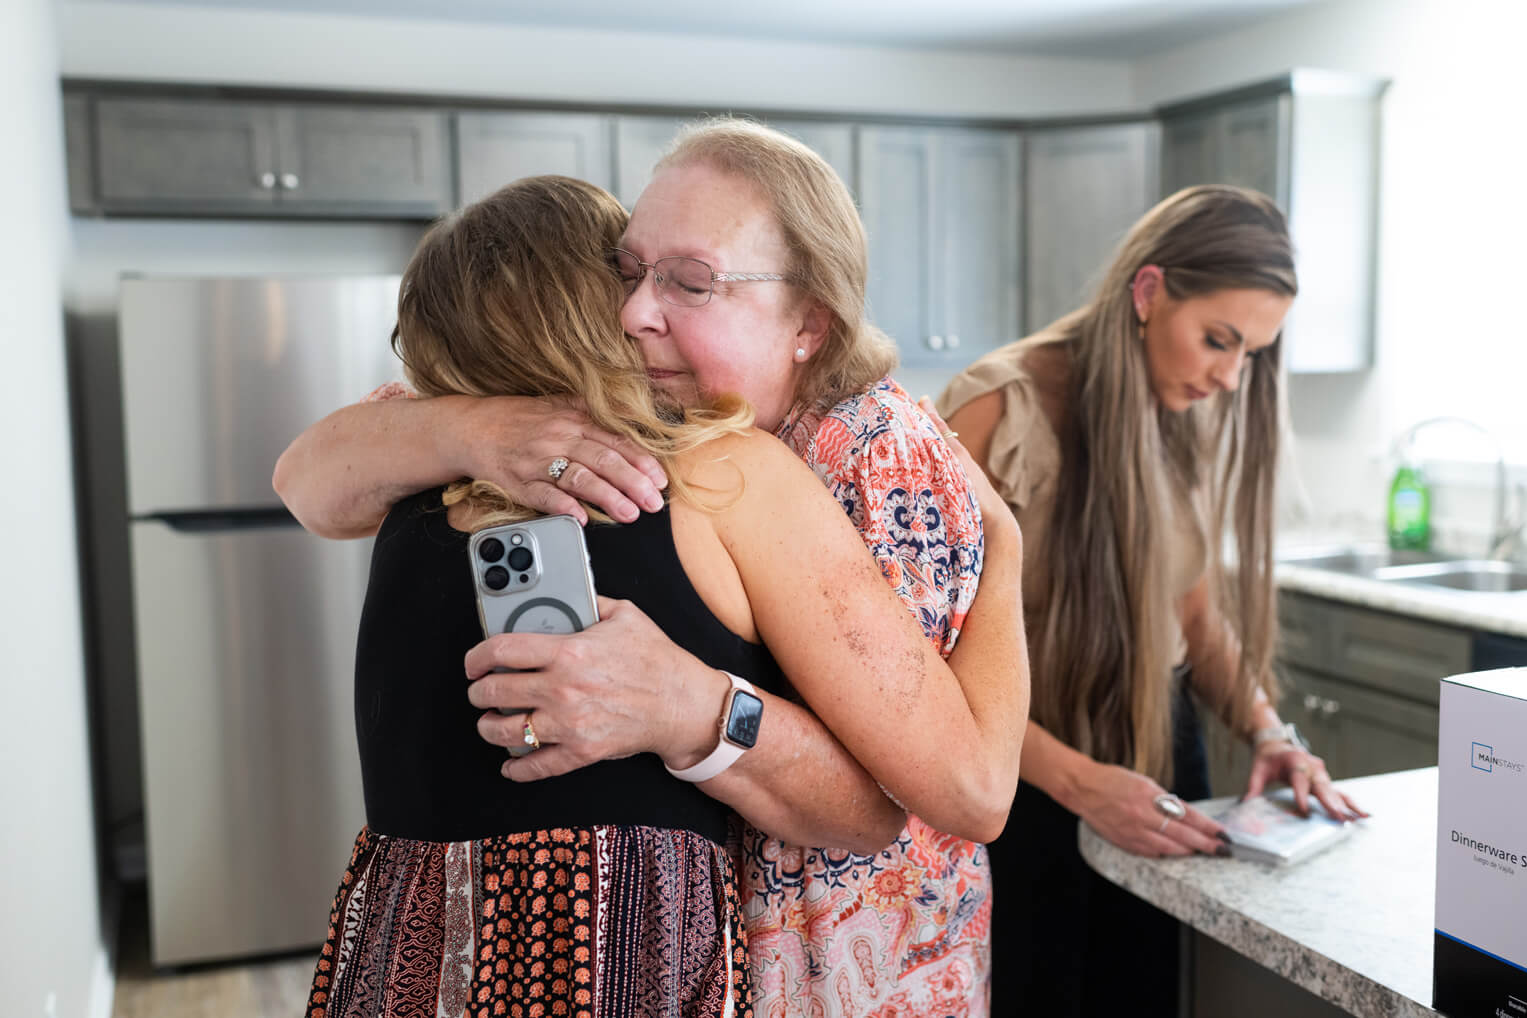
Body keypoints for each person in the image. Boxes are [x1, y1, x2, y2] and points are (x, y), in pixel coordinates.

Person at [278, 120, 1029, 1017]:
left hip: (848, 963)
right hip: (646, 942)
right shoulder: (527, 429)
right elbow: (308, 479)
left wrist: (1004, 552)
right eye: (627, 271)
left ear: (808, 322)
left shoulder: (863, 447)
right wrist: (469, 428)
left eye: (690, 281)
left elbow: (957, 793)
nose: (635, 310)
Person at [937, 184, 1368, 1017]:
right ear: (1147, 291)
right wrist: (1079, 787)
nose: (1229, 378)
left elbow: (1195, 617)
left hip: (1160, 763)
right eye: (1217, 340)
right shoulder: (997, 405)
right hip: (1022, 774)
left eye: (1250, 354)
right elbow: (919, 663)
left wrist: (1267, 728)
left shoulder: (1181, 410)